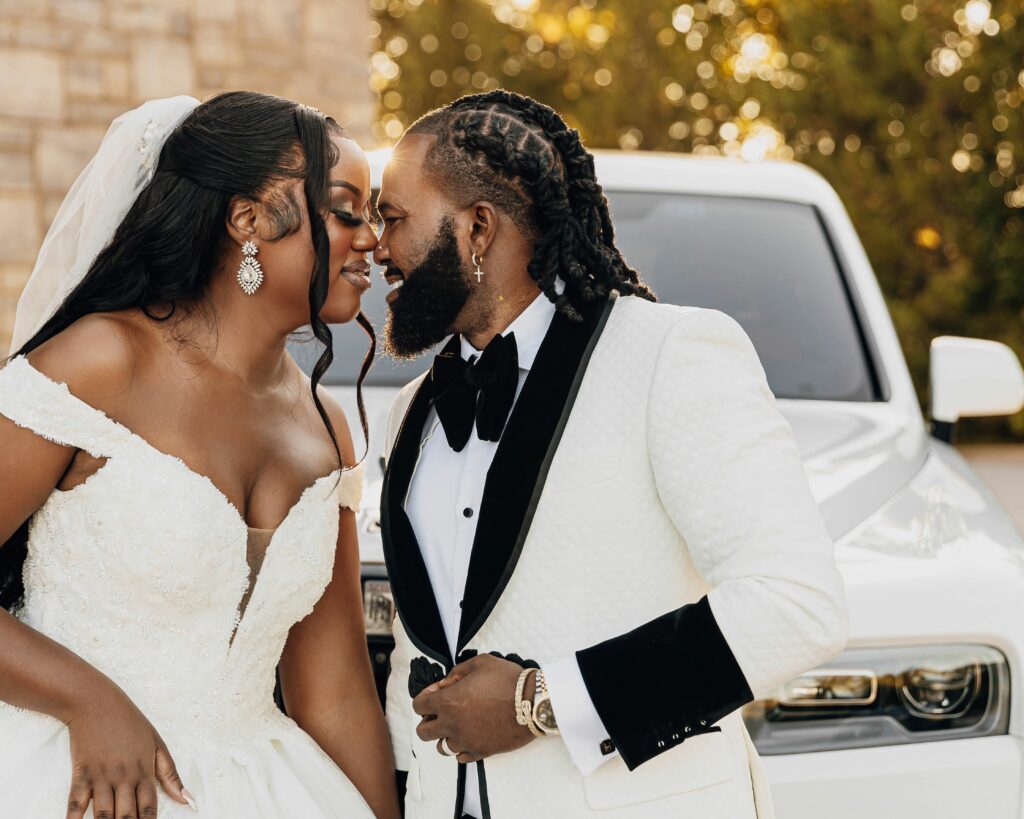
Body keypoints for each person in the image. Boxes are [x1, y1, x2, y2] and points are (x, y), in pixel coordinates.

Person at [375, 90, 849, 819]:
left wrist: (540, 702)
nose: (378, 247)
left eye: (393, 218)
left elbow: (796, 605)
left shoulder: (672, 356)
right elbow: (422, 652)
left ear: (477, 227)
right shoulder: (413, 411)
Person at [0, 92, 400, 819]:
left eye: (373, 215)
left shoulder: (327, 427)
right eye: (346, 211)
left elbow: (336, 691)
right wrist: (88, 699)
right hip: (66, 776)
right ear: (248, 219)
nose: (371, 238)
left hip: (267, 789)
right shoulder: (100, 363)